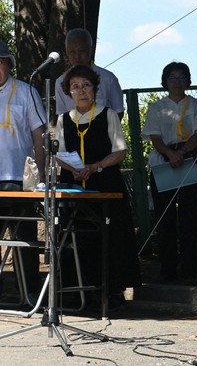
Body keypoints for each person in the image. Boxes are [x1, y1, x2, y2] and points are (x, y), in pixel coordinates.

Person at [54, 64, 140, 305]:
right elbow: (59, 152)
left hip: (105, 182)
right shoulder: (63, 119)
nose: (81, 91)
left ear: (95, 89)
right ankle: (75, 292)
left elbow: (120, 151)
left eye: (86, 86)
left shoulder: (107, 114)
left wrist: (95, 166)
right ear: (68, 93)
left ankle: (111, 291)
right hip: (74, 183)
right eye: (75, 87)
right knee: (74, 235)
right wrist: (73, 170)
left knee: (109, 235)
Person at [142, 62, 197, 281]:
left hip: (190, 162)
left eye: (182, 78)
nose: (177, 82)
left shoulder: (196, 104)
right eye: (173, 78)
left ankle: (190, 265)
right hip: (164, 163)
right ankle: (167, 268)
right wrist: (171, 155)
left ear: (188, 81)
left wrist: (182, 152)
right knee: (165, 218)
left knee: (190, 217)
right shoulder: (156, 107)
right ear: (165, 81)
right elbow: (155, 137)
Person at [0, 39, 46, 296]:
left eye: (0, 62)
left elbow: (39, 135)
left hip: (20, 179)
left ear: (9, 64)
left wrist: (41, 177)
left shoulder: (26, 92)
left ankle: (29, 296)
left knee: (25, 242)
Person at [55, 28, 124, 118]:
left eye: (82, 51)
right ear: (66, 51)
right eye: (72, 52)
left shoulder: (108, 78)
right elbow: (62, 115)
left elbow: (118, 111)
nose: (77, 56)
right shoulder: (61, 82)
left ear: (91, 49)